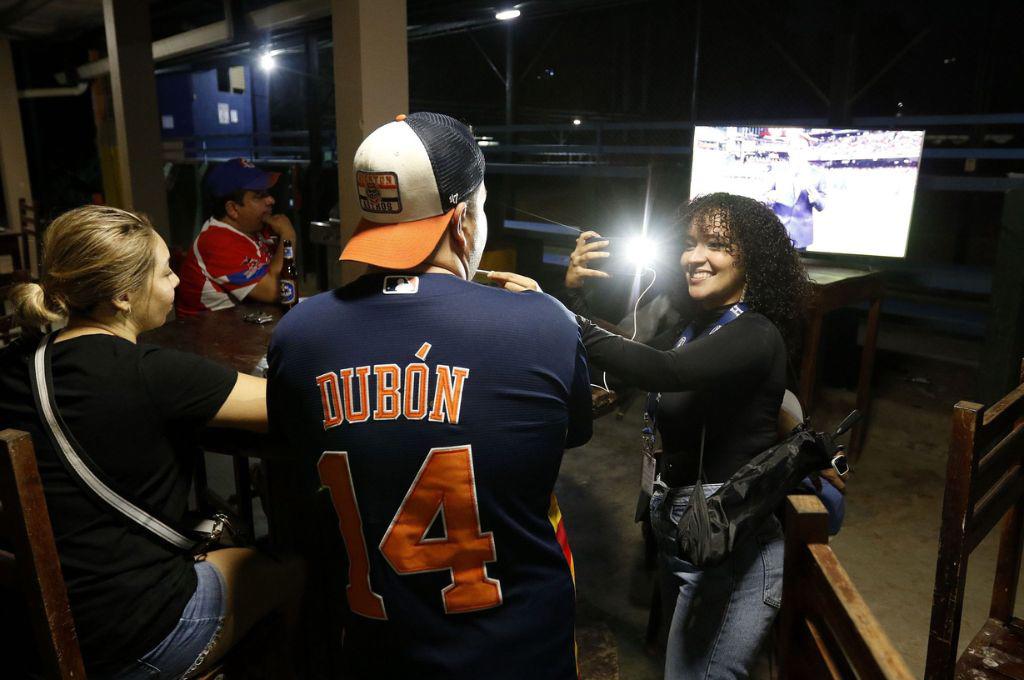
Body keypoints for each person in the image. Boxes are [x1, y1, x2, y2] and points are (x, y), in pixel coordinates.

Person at [267, 112, 592, 679]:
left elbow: (295, 473)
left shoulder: (299, 333)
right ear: (462, 220)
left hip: (373, 650)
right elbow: (575, 431)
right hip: (516, 654)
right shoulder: (543, 324)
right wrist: (547, 315)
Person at [1, 205, 303, 679]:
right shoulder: (151, 374)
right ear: (123, 294)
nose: (178, 284)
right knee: (295, 568)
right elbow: (293, 404)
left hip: (47, 626)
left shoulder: (17, 365)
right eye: (165, 273)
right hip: (137, 640)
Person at [563, 193, 811, 679]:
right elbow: (627, 355)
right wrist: (575, 296)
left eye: (717, 245)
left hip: (728, 544)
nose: (695, 257)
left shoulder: (756, 334)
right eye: (691, 243)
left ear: (753, 260)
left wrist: (556, 315)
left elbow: (664, 371)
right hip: (689, 534)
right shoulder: (698, 326)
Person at [175, 158, 297, 316]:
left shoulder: (258, 227)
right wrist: (289, 236)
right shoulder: (217, 242)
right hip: (208, 335)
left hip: (244, 325)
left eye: (267, 193)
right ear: (233, 209)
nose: (271, 200)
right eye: (259, 196)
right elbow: (278, 290)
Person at [766, 142, 826, 250]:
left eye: (802, 148)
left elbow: (822, 207)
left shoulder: (818, 174)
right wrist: (771, 197)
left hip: (801, 235)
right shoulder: (776, 171)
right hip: (776, 231)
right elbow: (764, 196)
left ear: (808, 150)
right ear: (789, 151)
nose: (798, 151)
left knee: (799, 266)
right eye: (795, 148)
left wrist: (816, 199)